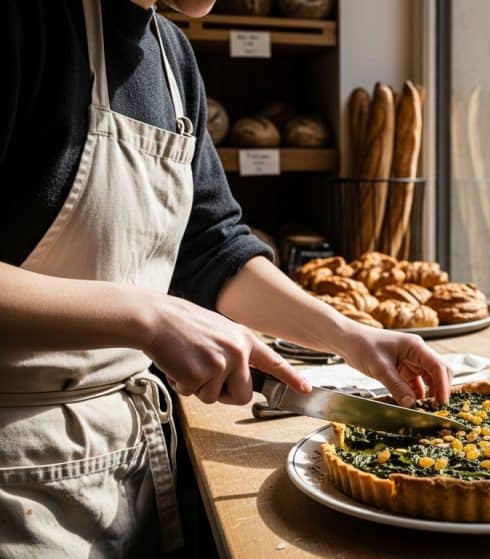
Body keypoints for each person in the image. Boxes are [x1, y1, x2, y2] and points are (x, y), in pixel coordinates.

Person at [0, 1, 451, 556]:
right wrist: (148, 316)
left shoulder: (171, 54)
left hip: (130, 458)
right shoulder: (24, 22)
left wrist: (347, 335)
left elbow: (211, 247)